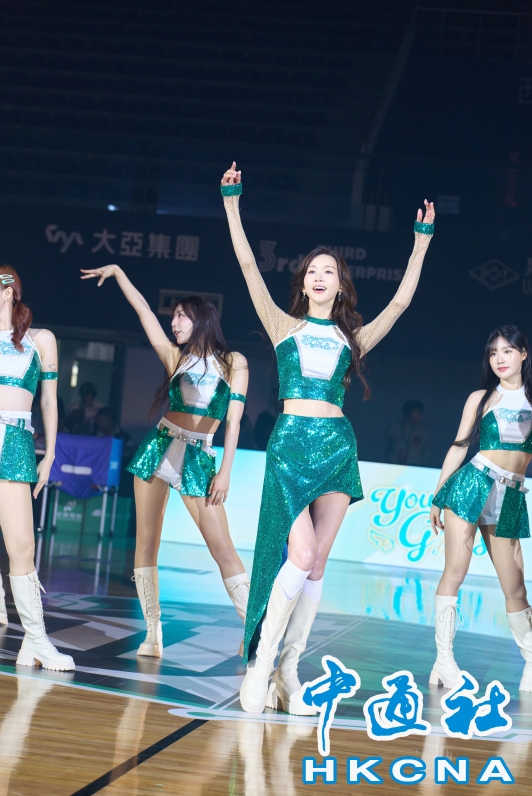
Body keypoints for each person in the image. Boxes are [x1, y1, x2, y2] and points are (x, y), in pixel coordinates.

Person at [221, 162, 435, 714]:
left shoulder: (351, 335)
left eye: (329, 271)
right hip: (291, 446)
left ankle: (290, 673)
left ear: (340, 285)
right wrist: (231, 203)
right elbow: (247, 265)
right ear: (303, 283)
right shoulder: (282, 325)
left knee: (317, 564)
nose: (319, 276)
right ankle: (262, 665)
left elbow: (401, 304)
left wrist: (420, 243)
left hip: (337, 446)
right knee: (299, 552)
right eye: (312, 270)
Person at [80, 266, 250, 657]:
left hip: (199, 456)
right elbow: (143, 311)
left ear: (201, 319)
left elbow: (235, 421)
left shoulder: (233, 362)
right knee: (146, 545)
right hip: (158, 447)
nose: (174, 323)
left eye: (181, 316)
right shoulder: (175, 357)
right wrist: (120, 274)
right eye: (172, 317)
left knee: (222, 547)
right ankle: (152, 633)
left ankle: (254, 629)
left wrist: (225, 471)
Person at [430, 325, 532, 692]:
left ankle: (531, 660)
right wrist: (437, 495)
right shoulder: (481, 398)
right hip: (472, 485)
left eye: (507, 351)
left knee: (515, 587)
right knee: (455, 572)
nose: (499, 359)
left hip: (512, 496)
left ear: (523, 354)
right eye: (493, 353)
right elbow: (460, 446)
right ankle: (443, 661)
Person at [0, 265, 74, 670]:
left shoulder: (39, 339)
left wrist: (50, 454)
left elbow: (48, 400)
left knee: (22, 546)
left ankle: (35, 640)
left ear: (9, 291)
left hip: (15, 441)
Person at [385, 399, 429, 465]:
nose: (420, 415)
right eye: (417, 412)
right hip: (394, 465)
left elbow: (425, 451)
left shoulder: (423, 432)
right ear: (408, 412)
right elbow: (386, 447)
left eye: (421, 413)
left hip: (414, 466)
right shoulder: (394, 428)